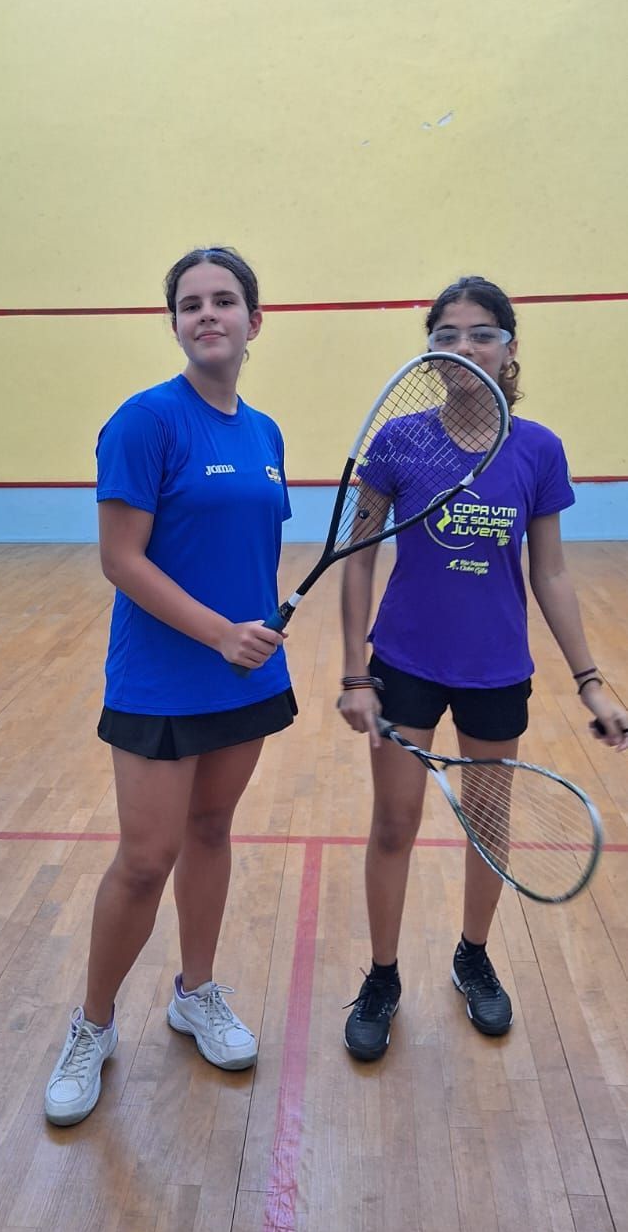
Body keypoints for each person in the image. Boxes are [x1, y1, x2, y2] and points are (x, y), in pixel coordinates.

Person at [338, 275, 628, 1062]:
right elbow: (359, 559)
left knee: (489, 824)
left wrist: (589, 677)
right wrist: (355, 671)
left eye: (481, 334)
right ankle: (383, 976)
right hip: (404, 662)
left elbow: (553, 574)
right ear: (429, 353)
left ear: (509, 349)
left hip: (497, 668)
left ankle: (473, 956)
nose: (463, 348)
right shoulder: (399, 442)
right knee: (394, 824)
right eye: (446, 336)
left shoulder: (538, 450)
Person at [45, 246, 296, 1124]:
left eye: (225, 300)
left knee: (213, 829)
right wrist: (221, 633)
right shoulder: (145, 422)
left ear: (254, 321)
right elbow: (121, 559)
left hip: (246, 676)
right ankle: (92, 1025)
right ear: (176, 323)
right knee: (147, 859)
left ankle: (196, 993)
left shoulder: (263, 433)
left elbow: (248, 548)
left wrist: (249, 637)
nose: (208, 314)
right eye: (191, 304)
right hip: (163, 679)